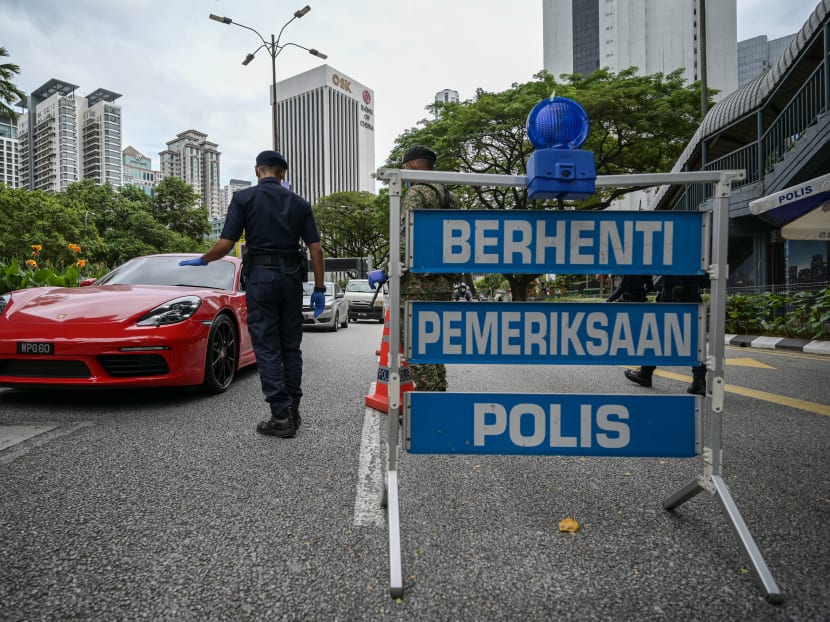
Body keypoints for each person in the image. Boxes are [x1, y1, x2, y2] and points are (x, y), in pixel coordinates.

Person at [179, 150, 325, 438]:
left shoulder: (244, 198)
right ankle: (293, 409)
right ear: (283, 173)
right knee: (290, 346)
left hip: (261, 279)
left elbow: (225, 243)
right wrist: (319, 288)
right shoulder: (301, 204)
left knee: (267, 346)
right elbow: (316, 249)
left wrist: (203, 259)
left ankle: (280, 415)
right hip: (292, 279)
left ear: (258, 171)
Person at [400, 145, 458, 391]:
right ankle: (440, 396)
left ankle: (427, 405)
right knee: (435, 346)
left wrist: (390, 267)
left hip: (417, 284)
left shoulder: (416, 194)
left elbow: (408, 238)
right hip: (444, 283)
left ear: (411, 166)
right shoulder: (449, 196)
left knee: (417, 345)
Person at [623, 274, 709, 395]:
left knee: (657, 334)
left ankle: (645, 374)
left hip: (671, 291)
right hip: (692, 292)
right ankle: (699, 381)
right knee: (694, 338)